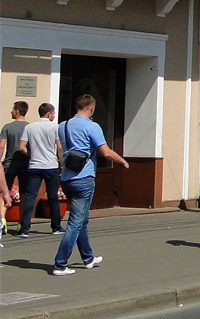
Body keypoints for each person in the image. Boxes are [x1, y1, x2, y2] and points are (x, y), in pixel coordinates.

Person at [53, 94, 130, 276]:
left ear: (76, 106)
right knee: (75, 222)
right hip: (83, 177)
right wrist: (123, 162)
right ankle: (60, 264)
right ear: (92, 108)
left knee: (81, 220)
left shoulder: (63, 126)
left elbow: (61, 150)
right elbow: (106, 152)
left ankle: (88, 258)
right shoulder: (92, 126)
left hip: (67, 177)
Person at [18, 103, 64, 237]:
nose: (54, 116)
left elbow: (21, 147)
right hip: (50, 165)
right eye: (53, 113)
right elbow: (59, 147)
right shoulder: (55, 127)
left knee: (30, 197)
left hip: (35, 165)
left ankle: (24, 229)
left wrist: (32, 154)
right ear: (48, 114)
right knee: (53, 197)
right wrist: (61, 163)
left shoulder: (29, 127)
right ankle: (56, 227)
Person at [1, 101, 30, 204]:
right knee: (24, 192)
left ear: (17, 111)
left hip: (10, 162)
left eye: (13, 109)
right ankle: (22, 214)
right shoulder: (29, 127)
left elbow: (1, 145)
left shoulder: (7, 127)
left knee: (4, 191)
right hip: (25, 163)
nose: (11, 112)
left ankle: (2, 213)